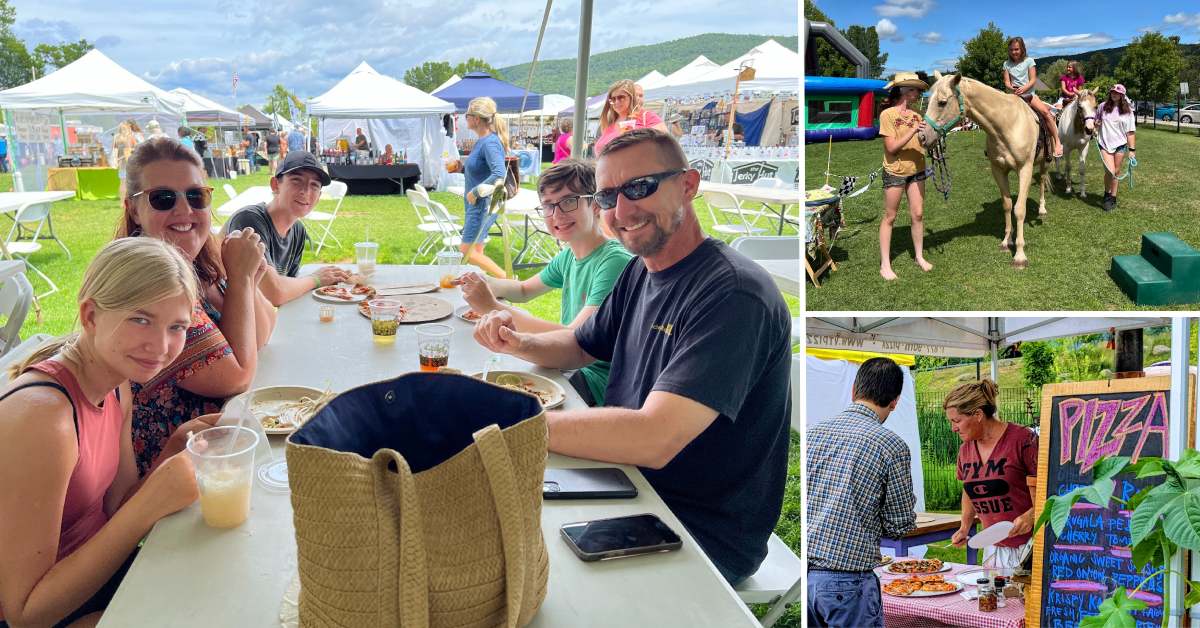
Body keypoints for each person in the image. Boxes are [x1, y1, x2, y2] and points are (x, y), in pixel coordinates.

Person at [473, 128, 792, 584]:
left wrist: (508, 422)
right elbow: (582, 343)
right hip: (624, 475)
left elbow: (654, 438)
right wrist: (519, 343)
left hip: (695, 526)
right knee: (490, 524)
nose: (621, 211)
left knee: (525, 571)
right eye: (607, 196)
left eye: (639, 188)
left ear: (688, 185)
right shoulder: (643, 271)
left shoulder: (734, 294)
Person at [0, 237, 210, 627]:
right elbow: (26, 613)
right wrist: (148, 506)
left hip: (100, 578)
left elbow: (116, 505)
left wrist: (175, 446)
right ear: (91, 315)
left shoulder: (117, 383)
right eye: (141, 319)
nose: (161, 346)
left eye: (177, 326)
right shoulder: (44, 418)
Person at [116, 136, 276, 475]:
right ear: (133, 208)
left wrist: (246, 277)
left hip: (216, 450)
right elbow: (237, 378)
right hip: (169, 473)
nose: (185, 210)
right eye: (162, 199)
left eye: (195, 196)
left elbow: (262, 334)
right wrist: (242, 278)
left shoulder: (201, 261)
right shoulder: (150, 277)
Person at [457, 159, 631, 406]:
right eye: (548, 205)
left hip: (598, 384)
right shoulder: (570, 255)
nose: (557, 214)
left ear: (595, 204)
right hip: (567, 367)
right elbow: (523, 290)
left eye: (569, 201)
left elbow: (575, 340)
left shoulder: (613, 263)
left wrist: (491, 307)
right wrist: (482, 281)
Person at [807, 357, 916, 628]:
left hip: (806, 576)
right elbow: (900, 524)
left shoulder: (813, 434)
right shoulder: (891, 446)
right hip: (849, 579)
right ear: (895, 401)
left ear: (854, 390)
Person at [225, 151, 349, 305]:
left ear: (319, 196)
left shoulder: (298, 231)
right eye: (296, 181)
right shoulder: (249, 220)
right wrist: (316, 279)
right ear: (275, 185)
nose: (306, 192)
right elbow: (273, 292)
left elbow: (288, 291)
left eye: (314, 185)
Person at [945, 379, 1038, 568]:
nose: (953, 428)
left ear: (978, 414)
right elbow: (969, 489)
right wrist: (965, 526)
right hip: (994, 547)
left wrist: (1032, 515)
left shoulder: (1023, 440)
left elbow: (1048, 485)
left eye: (957, 421)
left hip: (1031, 547)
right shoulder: (965, 450)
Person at [878, 72, 934, 281]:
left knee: (918, 214)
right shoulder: (888, 115)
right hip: (895, 172)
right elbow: (892, 148)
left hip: (917, 171)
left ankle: (919, 256)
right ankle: (885, 264)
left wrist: (930, 139)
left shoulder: (918, 115)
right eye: (915, 90)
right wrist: (911, 131)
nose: (918, 93)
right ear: (905, 91)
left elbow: (922, 141)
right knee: (890, 216)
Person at [459, 96, 511, 278]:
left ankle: (508, 280)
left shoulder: (489, 142)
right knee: (477, 250)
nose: (465, 118)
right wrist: (460, 168)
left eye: (467, 115)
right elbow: (481, 170)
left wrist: (475, 192)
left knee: (467, 251)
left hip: (482, 203)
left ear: (476, 118)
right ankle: (487, 288)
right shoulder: (483, 141)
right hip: (478, 204)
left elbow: (499, 173)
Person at [1003, 36, 1063, 158]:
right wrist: (1011, 88)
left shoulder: (1029, 61)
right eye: (1012, 50)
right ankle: (997, 146)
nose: (1014, 52)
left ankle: (1057, 142)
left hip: (1029, 94)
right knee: (999, 116)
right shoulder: (1006, 64)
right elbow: (1006, 82)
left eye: (1016, 49)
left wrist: (1024, 88)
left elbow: (1033, 79)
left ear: (1022, 49)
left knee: (1046, 112)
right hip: (1014, 95)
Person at [593, 79, 668, 156]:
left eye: (621, 97)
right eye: (612, 99)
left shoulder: (647, 117)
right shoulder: (609, 123)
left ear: (631, 97)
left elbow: (664, 143)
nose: (616, 102)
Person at [1095, 84, 1136, 212]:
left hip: (1120, 145)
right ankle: (1107, 194)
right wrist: (1096, 125)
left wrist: (1132, 150)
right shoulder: (1102, 106)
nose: (1114, 94)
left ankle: (1113, 197)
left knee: (1116, 172)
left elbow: (1130, 132)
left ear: (1122, 95)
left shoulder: (1128, 111)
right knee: (1110, 171)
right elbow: (1096, 121)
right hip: (1105, 144)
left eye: (1117, 93)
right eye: (1112, 92)